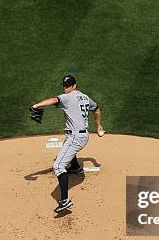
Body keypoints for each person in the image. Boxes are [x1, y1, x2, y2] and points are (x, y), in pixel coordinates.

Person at [30, 75, 104, 213]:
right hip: (82, 135)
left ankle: (64, 200)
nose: (66, 88)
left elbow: (54, 100)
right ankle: (75, 167)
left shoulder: (67, 97)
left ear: (74, 86)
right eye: (64, 86)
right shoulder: (85, 97)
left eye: (68, 85)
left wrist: (36, 105)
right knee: (68, 145)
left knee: (58, 166)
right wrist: (99, 126)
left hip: (76, 136)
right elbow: (97, 109)